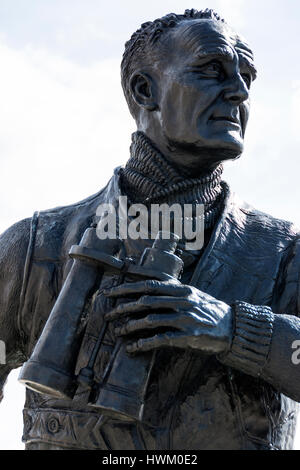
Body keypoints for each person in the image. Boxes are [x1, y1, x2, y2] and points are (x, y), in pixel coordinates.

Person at [1, 8, 300, 450]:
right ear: (145, 89)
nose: (238, 92)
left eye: (247, 77)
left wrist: (233, 330)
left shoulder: (284, 252)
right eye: (212, 70)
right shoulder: (32, 246)